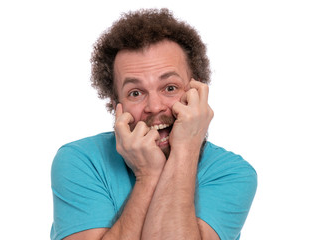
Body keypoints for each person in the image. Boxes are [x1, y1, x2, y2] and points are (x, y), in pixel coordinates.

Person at [50, 8, 257, 240]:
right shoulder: (80, 160)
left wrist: (185, 149)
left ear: (197, 92)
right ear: (116, 104)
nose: (155, 106)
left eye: (170, 88)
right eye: (136, 92)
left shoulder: (232, 173)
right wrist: (148, 176)